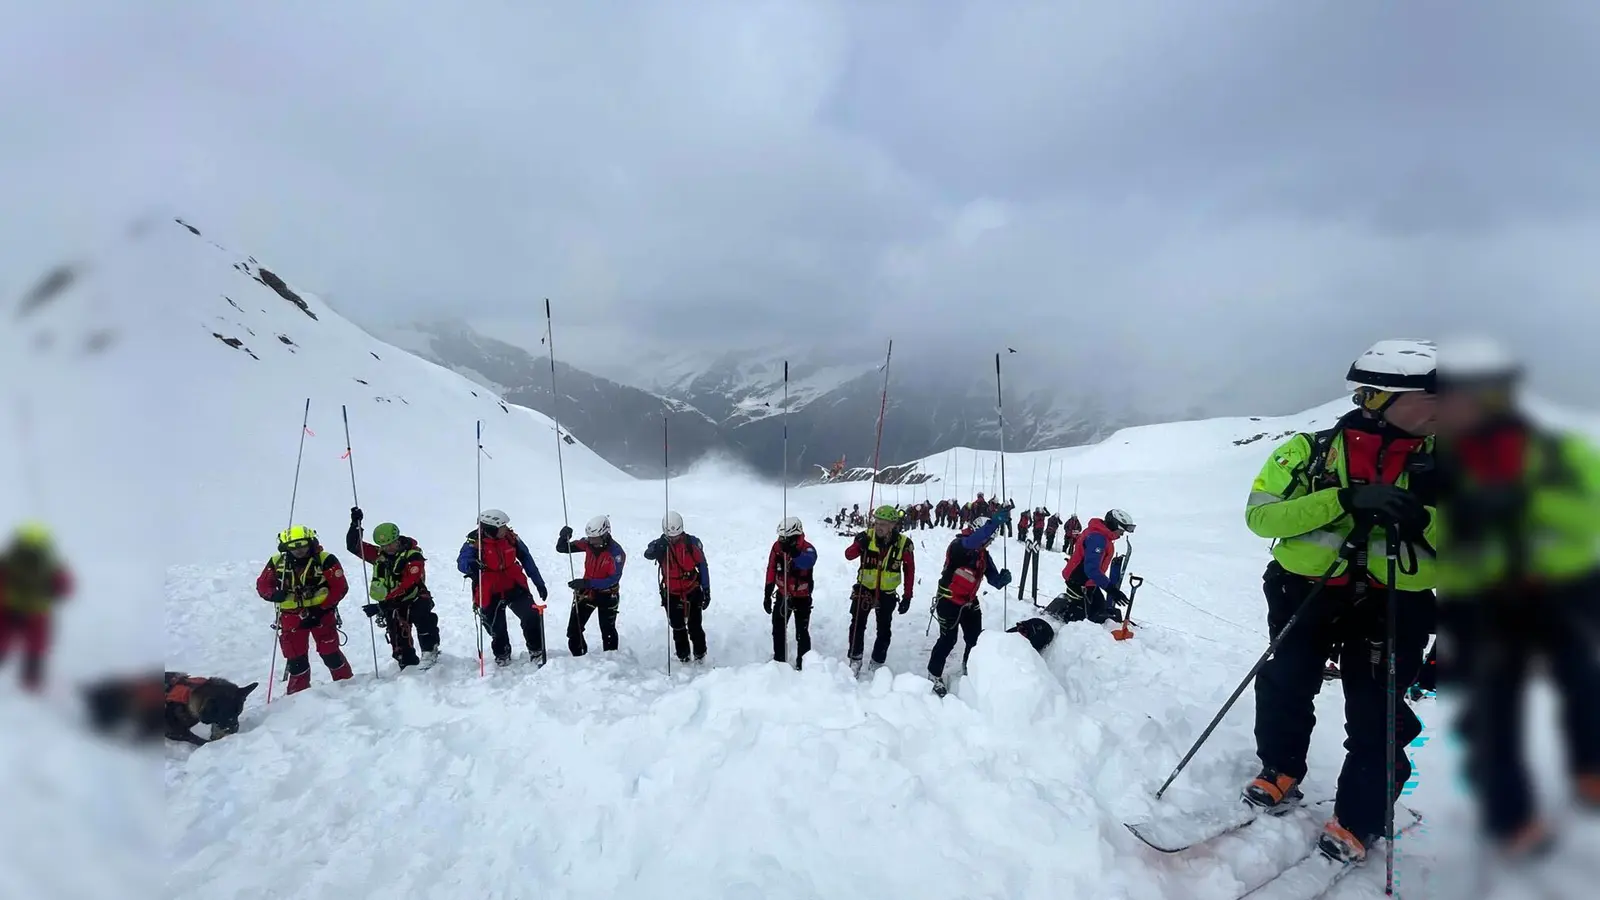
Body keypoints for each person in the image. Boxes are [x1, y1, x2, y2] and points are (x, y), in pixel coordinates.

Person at [1241, 339, 1439, 866]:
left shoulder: (1449, 467)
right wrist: (1345, 500)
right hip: (1304, 590)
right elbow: (1262, 517)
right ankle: (1279, 768)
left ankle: (1360, 817)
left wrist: (1428, 515)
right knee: (1286, 681)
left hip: (1393, 602)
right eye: (1433, 399)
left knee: (1376, 710)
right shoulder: (1308, 450)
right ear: (1384, 398)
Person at [1433, 336, 1600, 860]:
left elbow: (1588, 516)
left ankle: (1591, 770)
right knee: (1494, 709)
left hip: (1561, 593)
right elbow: (1436, 543)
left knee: (1585, 687)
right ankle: (1511, 818)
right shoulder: (1441, 460)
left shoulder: (1556, 450)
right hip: (1484, 604)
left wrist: (1520, 505)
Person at [255, 525, 355, 694]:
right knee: (296, 659)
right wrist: (272, 594)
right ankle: (298, 695)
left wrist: (322, 609)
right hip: (291, 616)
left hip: (322, 614)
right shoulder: (277, 562)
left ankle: (348, 687)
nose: (298, 550)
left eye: (302, 545)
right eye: (293, 546)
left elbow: (340, 587)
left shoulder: (325, 559)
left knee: (330, 653)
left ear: (310, 542)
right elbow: (263, 583)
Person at [927, 513, 1011, 695]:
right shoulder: (959, 545)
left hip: (969, 602)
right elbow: (972, 541)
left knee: (974, 639)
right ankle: (934, 674)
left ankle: (969, 668)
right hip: (948, 600)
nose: (988, 543)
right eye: (988, 538)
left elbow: (993, 579)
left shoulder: (983, 556)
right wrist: (994, 522)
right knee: (948, 640)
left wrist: (1002, 580)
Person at [347, 508, 440, 670]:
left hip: (414, 598)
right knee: (398, 639)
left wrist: (381, 606)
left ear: (398, 540)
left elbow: (408, 584)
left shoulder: (413, 556)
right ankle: (407, 665)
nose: (388, 548)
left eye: (391, 543)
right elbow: (354, 546)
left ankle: (430, 652)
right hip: (392, 604)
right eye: (384, 545)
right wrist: (355, 525)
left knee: (424, 620)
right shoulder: (379, 555)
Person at [455, 509, 549, 667]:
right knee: (496, 627)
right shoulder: (474, 542)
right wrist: (471, 564)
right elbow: (462, 562)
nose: (506, 529)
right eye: (502, 526)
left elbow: (526, 558)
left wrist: (539, 582)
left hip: (514, 584)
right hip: (489, 590)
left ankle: (536, 650)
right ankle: (502, 653)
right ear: (491, 528)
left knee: (531, 615)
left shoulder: (510, 538)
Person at [843, 505, 916, 676]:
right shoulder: (866, 537)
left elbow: (910, 570)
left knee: (884, 628)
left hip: (887, 593)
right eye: (876, 523)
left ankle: (877, 660)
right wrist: (859, 545)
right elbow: (848, 555)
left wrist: (907, 596)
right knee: (857, 624)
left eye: (883, 524)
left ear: (893, 525)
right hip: (865, 588)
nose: (878, 527)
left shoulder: (904, 544)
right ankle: (855, 658)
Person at [0, 522, 73, 692]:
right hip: (37, 612)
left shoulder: (7, 561)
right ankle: (31, 681)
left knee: (1, 639)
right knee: (36, 646)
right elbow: (65, 588)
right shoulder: (52, 565)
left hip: (7, 609)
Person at [645, 511, 711, 664]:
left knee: (695, 626)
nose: (674, 538)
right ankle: (683, 656)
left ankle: (700, 654)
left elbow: (702, 566)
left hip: (692, 589)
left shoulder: (691, 543)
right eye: (671, 536)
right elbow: (648, 553)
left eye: (676, 535)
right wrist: (657, 549)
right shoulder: (660, 544)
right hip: (672, 593)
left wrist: (706, 590)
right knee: (677, 626)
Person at [557, 515, 627, 656]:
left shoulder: (616, 553)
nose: (592, 541)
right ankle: (579, 656)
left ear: (606, 534)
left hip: (607, 594)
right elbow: (563, 548)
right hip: (587, 592)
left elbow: (613, 579)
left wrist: (587, 583)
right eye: (590, 538)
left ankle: (611, 659)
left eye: (595, 538)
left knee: (607, 629)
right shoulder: (587, 544)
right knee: (574, 629)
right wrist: (563, 536)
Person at [1055, 509, 1137, 623]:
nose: (1122, 534)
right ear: (1113, 525)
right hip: (1079, 582)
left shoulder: (1101, 535)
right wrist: (1112, 590)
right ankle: (1064, 628)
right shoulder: (1098, 538)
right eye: (1121, 530)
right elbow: (1091, 569)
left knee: (1100, 612)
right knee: (1082, 620)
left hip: (1090, 582)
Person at [765, 517, 819, 668]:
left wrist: (794, 553)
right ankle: (779, 661)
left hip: (802, 598)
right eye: (780, 537)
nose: (781, 541)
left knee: (802, 632)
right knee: (778, 628)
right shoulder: (777, 548)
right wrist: (767, 592)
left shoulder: (808, 549)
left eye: (785, 538)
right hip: (783, 596)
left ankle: (804, 663)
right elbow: (771, 568)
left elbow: (808, 562)